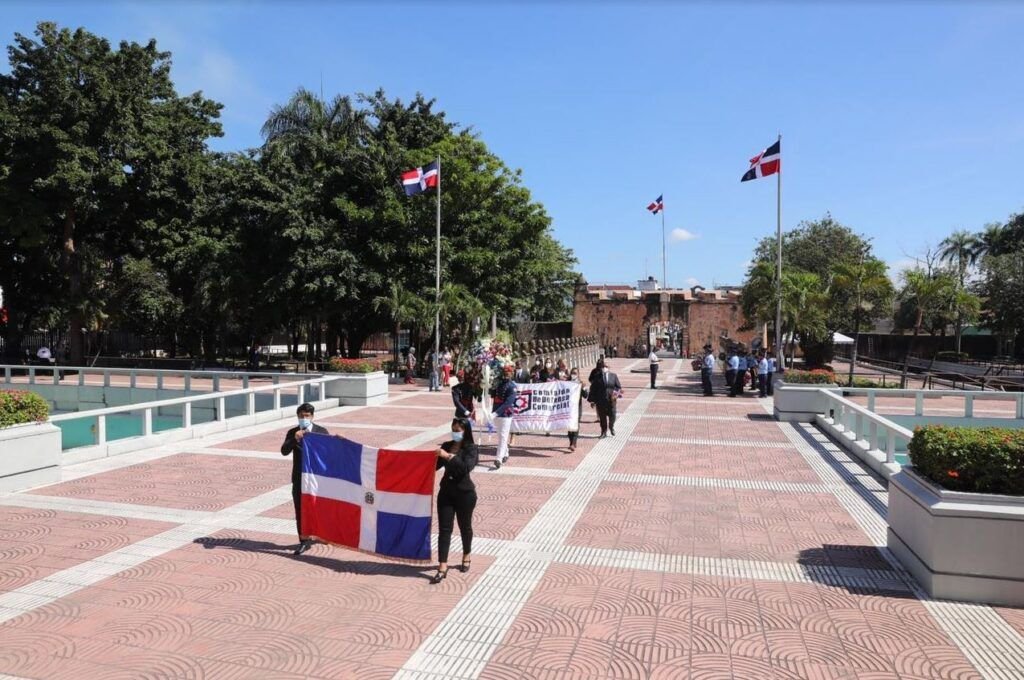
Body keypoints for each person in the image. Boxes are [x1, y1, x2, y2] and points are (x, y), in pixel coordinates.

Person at [431, 418, 479, 584]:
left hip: (465, 494)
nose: (456, 433)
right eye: (453, 429)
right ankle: (442, 567)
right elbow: (434, 465)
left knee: (465, 527)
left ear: (466, 431)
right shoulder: (446, 445)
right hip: (446, 493)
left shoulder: (471, 448)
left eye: (458, 430)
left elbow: (465, 468)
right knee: (444, 529)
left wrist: (449, 457)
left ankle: (466, 554)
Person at [280, 403, 329, 555]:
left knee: (319, 507)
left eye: (307, 416)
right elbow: (284, 451)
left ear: (312, 417)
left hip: (317, 479)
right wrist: (294, 439)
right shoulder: (293, 432)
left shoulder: (321, 432)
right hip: (300, 478)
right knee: (300, 508)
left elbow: (330, 452)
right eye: (301, 416)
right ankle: (303, 540)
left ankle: (321, 533)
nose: (304, 418)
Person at [492, 364, 518, 468]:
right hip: (497, 412)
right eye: (505, 373)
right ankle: (506, 453)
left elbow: (508, 402)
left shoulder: (512, 386)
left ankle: (498, 459)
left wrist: (496, 412)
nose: (506, 375)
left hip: (506, 414)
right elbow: (493, 396)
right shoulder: (498, 384)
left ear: (511, 374)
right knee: (500, 435)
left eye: (508, 373)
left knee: (503, 437)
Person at [588, 359, 622, 437]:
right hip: (601, 400)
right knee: (602, 417)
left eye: (606, 366)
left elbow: (618, 387)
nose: (604, 368)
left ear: (609, 367)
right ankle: (603, 432)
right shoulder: (597, 377)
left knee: (612, 415)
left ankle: (611, 426)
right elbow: (593, 388)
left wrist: (615, 394)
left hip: (611, 400)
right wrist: (592, 401)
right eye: (603, 366)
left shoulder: (613, 376)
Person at [567, 367, 586, 452]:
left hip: (577, 407)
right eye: (572, 373)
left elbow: (586, 395)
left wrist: (583, 388)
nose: (574, 374)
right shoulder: (567, 383)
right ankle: (571, 442)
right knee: (569, 425)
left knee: (576, 424)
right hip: (568, 408)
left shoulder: (580, 383)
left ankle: (573, 443)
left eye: (575, 373)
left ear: (578, 374)